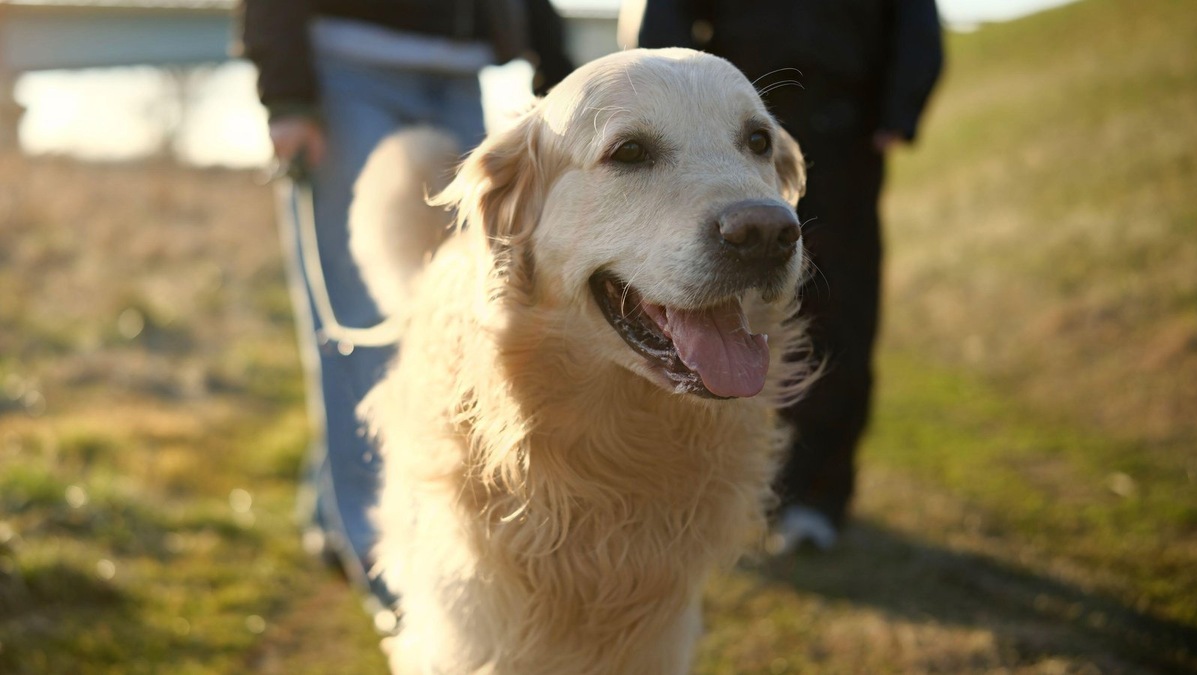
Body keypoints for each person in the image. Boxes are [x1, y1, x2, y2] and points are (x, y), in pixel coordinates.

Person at [237, 0, 573, 630]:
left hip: (459, 76)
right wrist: (286, 96)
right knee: (367, 330)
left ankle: (329, 509)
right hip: (346, 72)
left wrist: (560, 77)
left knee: (453, 316)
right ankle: (384, 560)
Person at [635, 0, 943, 552]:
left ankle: (813, 501)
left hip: (845, 137)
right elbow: (665, 16)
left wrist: (900, 111)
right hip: (724, 149)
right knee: (695, 312)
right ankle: (695, 492)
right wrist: (667, 111)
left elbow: (915, 20)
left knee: (838, 314)